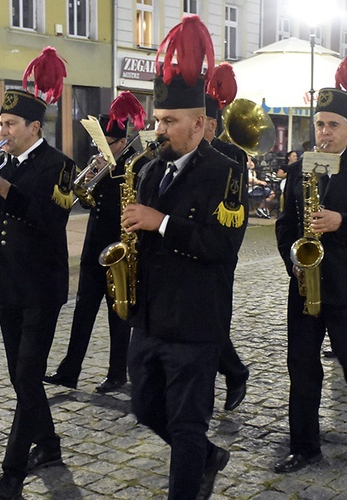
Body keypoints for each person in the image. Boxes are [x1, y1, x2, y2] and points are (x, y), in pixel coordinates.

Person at [121, 15, 246, 498]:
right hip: (149, 317)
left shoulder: (226, 172)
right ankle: (209, 457)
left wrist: (162, 222)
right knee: (145, 409)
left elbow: (223, 247)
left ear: (199, 123)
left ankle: (193, 474)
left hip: (197, 322)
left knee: (187, 427)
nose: (160, 129)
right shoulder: (149, 168)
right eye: (158, 120)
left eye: (169, 121)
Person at [0, 48, 77, 500]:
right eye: (0, 124)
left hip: (42, 287)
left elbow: (52, 219)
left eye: (10, 126)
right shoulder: (1, 164)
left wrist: (1, 186)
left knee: (27, 376)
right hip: (7, 285)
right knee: (19, 376)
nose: (2, 131)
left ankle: (11, 474)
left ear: (33, 128)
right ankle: (48, 446)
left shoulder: (59, 165)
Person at [274, 85, 347, 473]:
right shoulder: (298, 169)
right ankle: (305, 446)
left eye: (333, 126)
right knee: (301, 366)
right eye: (319, 124)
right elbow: (284, 225)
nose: (324, 132)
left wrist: (342, 222)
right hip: (306, 283)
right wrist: (293, 256)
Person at [44, 92, 147, 394]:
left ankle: (117, 374)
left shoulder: (136, 166)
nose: (102, 149)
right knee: (83, 311)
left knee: (119, 316)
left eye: (107, 144)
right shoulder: (101, 164)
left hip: (121, 251)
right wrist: (91, 173)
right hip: (94, 249)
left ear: (120, 142)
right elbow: (86, 201)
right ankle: (69, 370)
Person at [204, 67, 251, 411]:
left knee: (214, 324)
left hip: (217, 249)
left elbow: (235, 208)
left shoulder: (231, 156)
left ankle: (234, 372)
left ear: (212, 124)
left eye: (204, 120)